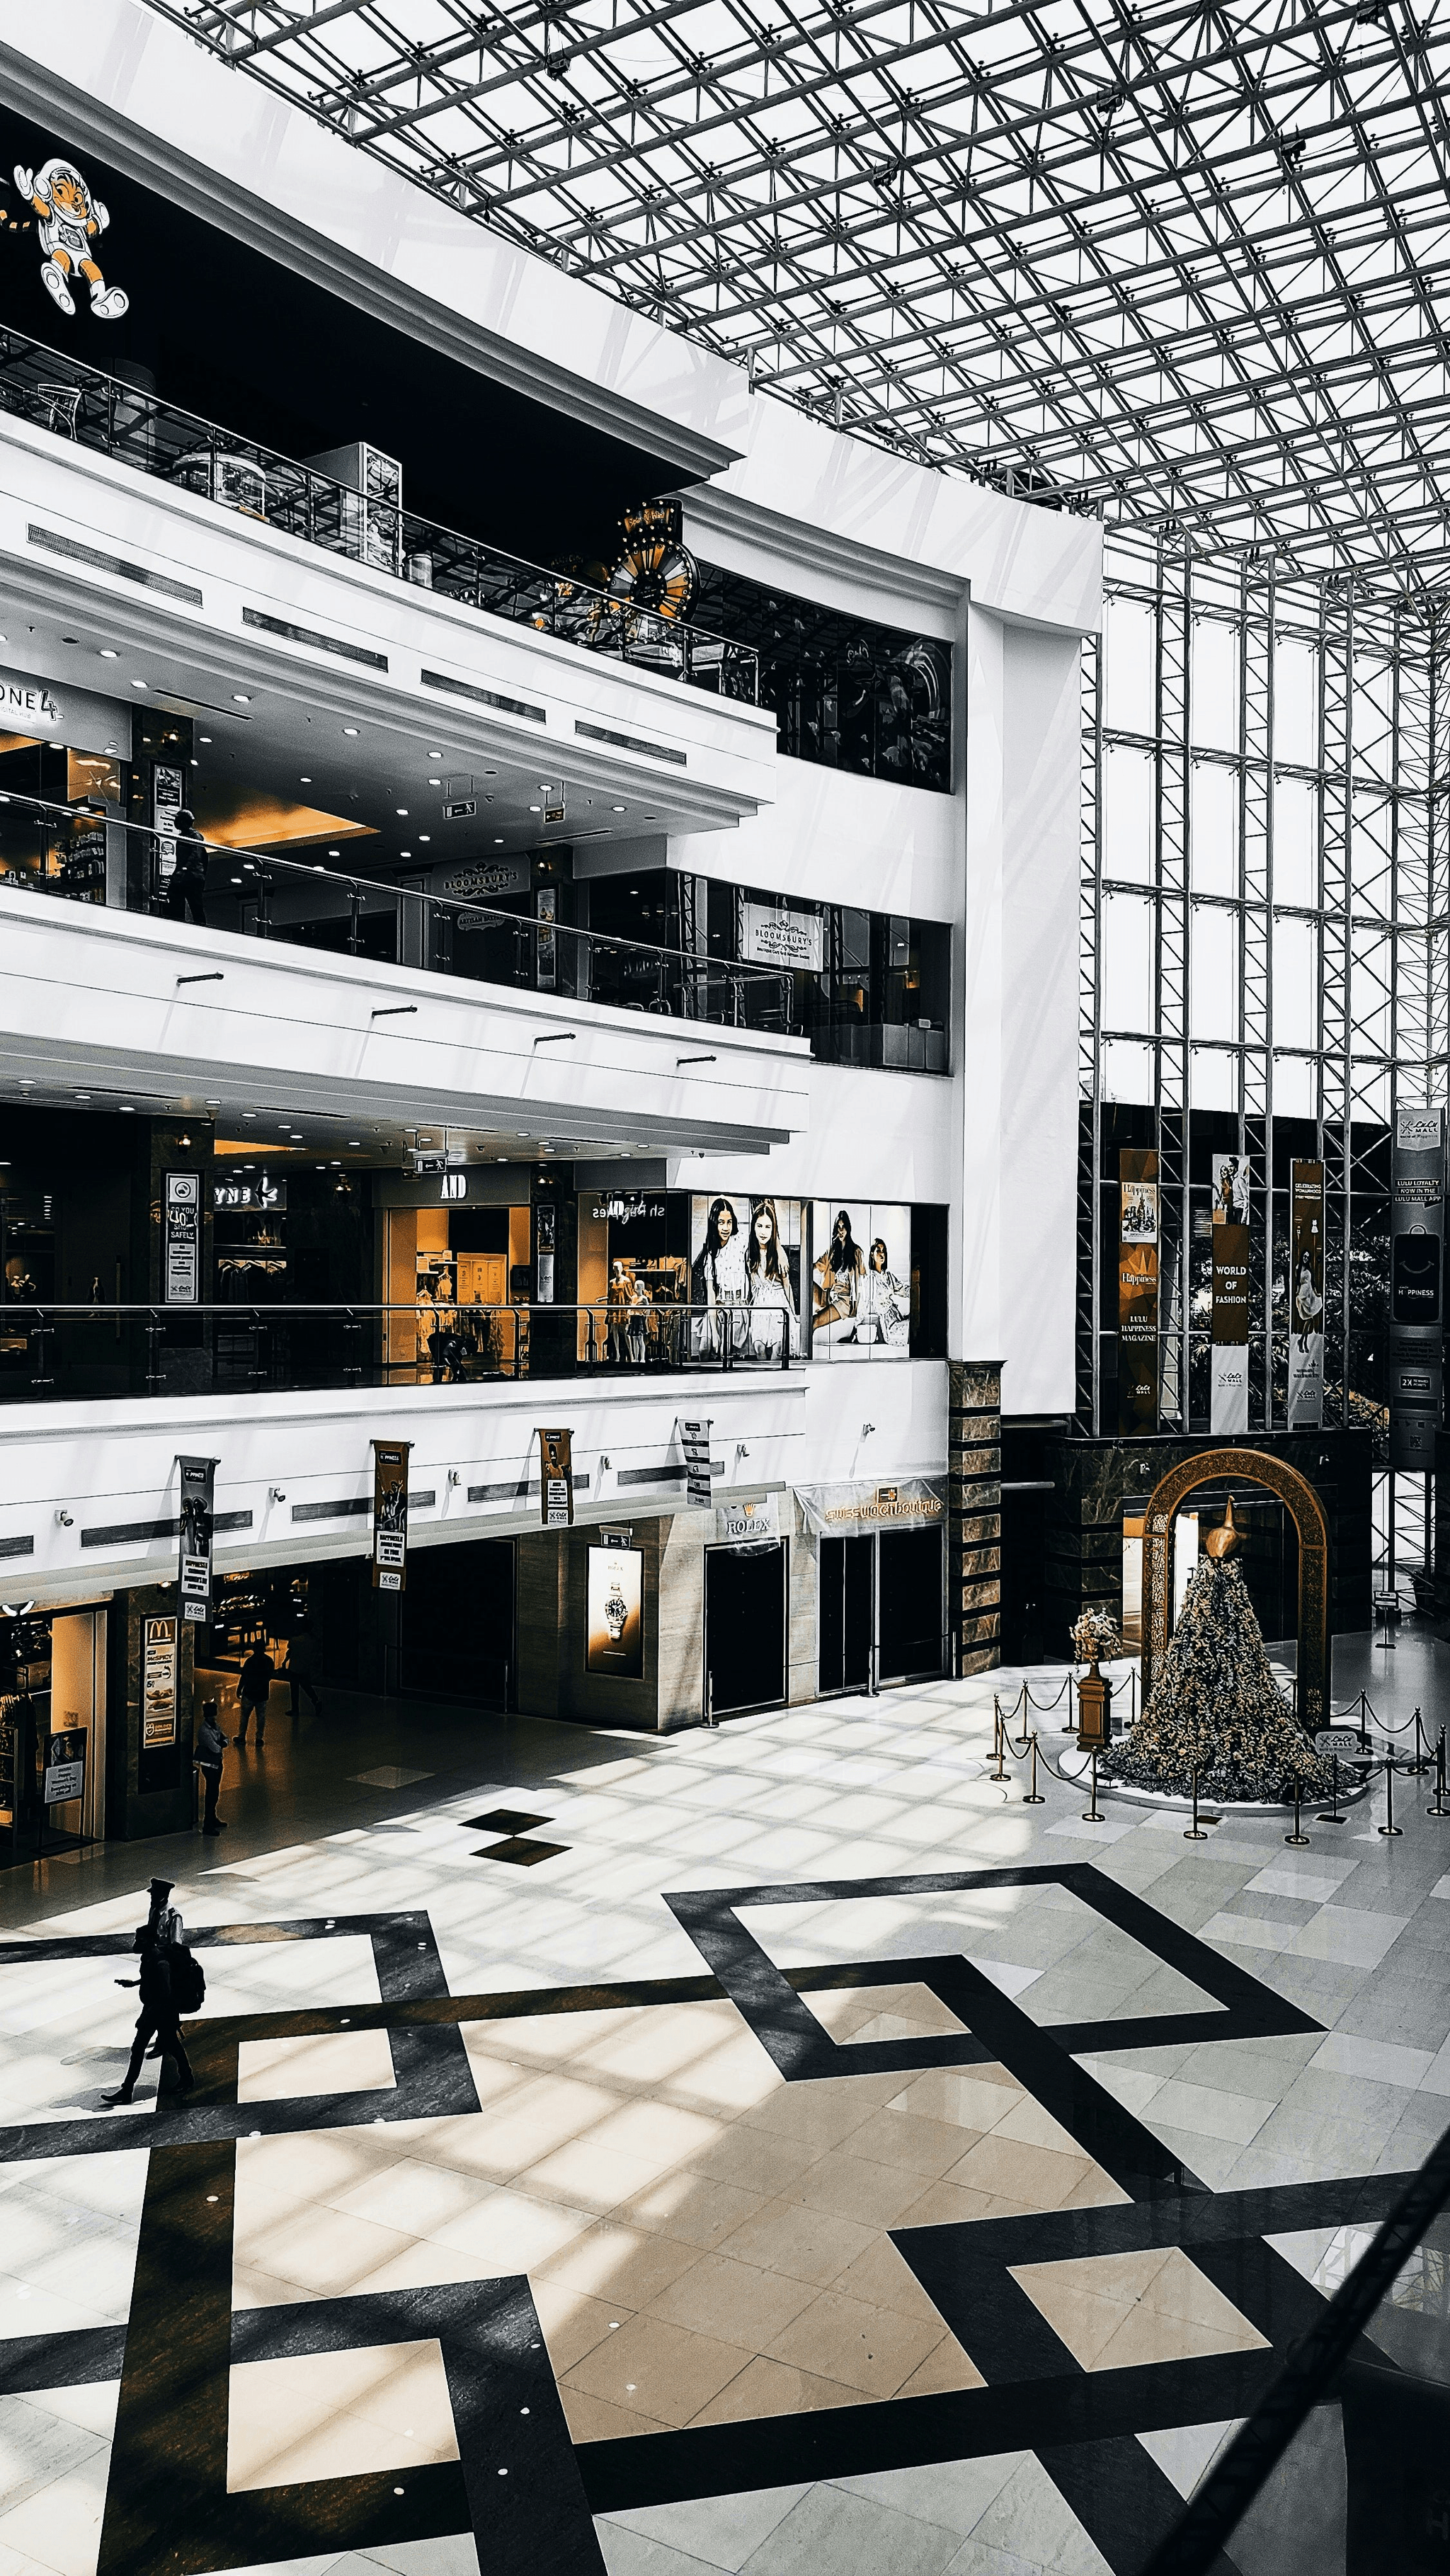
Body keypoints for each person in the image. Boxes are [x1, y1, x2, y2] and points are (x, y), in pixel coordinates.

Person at [103, 1923, 193, 2103]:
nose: (136, 1943)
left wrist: (148, 2016)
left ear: (150, 1941)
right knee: (166, 2046)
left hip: (161, 2013)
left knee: (154, 2047)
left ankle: (185, 2077)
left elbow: (165, 1993)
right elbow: (152, 1979)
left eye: (140, 1940)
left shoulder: (161, 1962)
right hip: (155, 2011)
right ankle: (128, 2089)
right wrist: (135, 1983)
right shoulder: (149, 1958)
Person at [691, 1197, 748, 1356]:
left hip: (737, 1308)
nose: (725, 1227)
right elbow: (711, 1292)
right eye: (721, 1222)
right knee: (704, 1348)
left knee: (725, 1351)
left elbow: (766, 1239)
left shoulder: (741, 1241)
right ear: (714, 1223)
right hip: (717, 1307)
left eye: (729, 1222)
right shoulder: (711, 1253)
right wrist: (715, 1333)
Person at [745, 1198, 798, 1359]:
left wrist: (793, 1316)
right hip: (760, 1304)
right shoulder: (749, 1253)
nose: (763, 1232)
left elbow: (787, 1286)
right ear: (754, 1226)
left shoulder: (778, 1254)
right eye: (759, 1226)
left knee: (778, 1349)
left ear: (773, 1229)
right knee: (759, 1348)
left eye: (768, 1227)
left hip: (777, 1302)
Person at [813, 1208, 864, 1342]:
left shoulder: (856, 1252)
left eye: (844, 1227)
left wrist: (857, 1311)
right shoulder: (831, 1252)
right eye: (838, 1227)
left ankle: (804, 1355)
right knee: (804, 1280)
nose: (841, 1231)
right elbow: (816, 1266)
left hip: (845, 1302)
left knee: (814, 1321)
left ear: (848, 1229)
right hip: (829, 1298)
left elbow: (862, 1283)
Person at [857, 1236, 911, 1347]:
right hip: (886, 1322)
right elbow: (864, 1303)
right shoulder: (870, 1279)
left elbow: (903, 1289)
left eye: (884, 1252)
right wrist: (856, 1325)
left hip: (896, 1315)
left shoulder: (888, 1276)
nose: (882, 1255)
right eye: (878, 1251)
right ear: (872, 1254)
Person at [163, 809, 209, 928]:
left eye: (177, 819)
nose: (175, 822)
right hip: (183, 876)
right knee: (174, 901)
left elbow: (196, 854)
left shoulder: (195, 836)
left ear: (183, 821)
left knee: (196, 906)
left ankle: (201, 928)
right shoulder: (182, 836)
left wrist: (184, 869)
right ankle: (176, 925)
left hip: (192, 877)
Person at [196, 1697, 227, 1833]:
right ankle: (208, 1823)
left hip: (217, 1762)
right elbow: (216, 1747)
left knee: (215, 1792)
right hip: (210, 1765)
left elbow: (225, 1739)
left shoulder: (215, 1726)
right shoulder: (204, 1730)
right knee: (211, 1792)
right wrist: (222, 1744)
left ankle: (212, 1817)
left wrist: (222, 1743)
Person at [234, 1642, 275, 1747]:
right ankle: (259, 1738)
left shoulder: (250, 1661)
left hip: (249, 1692)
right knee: (261, 1717)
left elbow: (244, 1677)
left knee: (244, 1716)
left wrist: (239, 1689)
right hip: (262, 1693)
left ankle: (242, 1737)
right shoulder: (269, 1661)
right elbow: (270, 1676)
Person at [282, 1622, 321, 1719]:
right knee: (307, 1686)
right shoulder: (312, 1641)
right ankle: (315, 1700)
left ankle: (295, 1709)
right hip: (305, 1667)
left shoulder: (295, 1640)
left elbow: (289, 1650)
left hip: (294, 1668)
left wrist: (284, 1662)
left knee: (294, 1689)